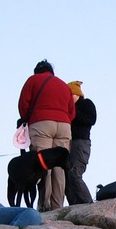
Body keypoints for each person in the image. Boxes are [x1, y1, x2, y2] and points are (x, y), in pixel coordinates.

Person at [18, 60, 76, 211]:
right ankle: (58, 207)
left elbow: (23, 106)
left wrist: (29, 120)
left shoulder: (33, 80)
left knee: (42, 165)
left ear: (37, 71)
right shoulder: (64, 85)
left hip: (41, 123)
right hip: (64, 126)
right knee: (60, 167)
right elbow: (72, 112)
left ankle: (44, 206)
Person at [65, 80, 96, 205]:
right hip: (70, 143)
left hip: (81, 142)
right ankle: (74, 205)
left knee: (74, 173)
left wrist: (73, 113)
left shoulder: (86, 104)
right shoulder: (69, 108)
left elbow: (91, 120)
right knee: (67, 175)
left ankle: (88, 204)